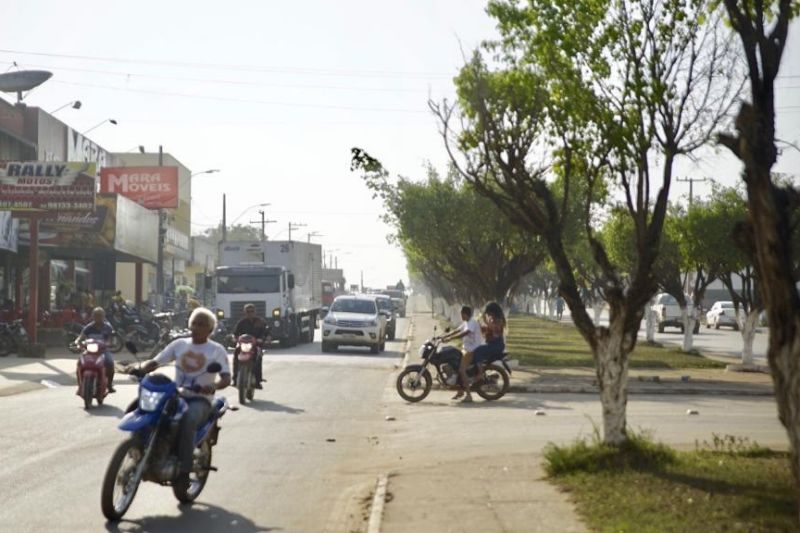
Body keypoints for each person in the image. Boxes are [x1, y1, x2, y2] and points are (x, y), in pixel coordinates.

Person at [129, 307, 231, 490]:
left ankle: (184, 471)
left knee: (188, 420)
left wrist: (213, 386)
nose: (196, 327)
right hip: (176, 394)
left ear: (210, 329)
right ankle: (137, 446)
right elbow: (157, 361)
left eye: (201, 324)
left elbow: (226, 378)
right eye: (194, 323)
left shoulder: (216, 350)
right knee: (139, 406)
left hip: (201, 399)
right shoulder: (179, 344)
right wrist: (142, 368)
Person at [454, 302, 506, 403]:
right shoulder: (492, 319)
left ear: (493, 311)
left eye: (489, 312)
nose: (488, 314)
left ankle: (480, 374)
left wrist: (484, 321)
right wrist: (480, 327)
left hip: (496, 345)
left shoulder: (498, 320)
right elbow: (487, 329)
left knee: (478, 351)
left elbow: (494, 329)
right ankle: (462, 387)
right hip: (491, 344)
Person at [74, 307, 117, 393]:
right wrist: (78, 342)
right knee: (79, 363)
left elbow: (113, 339)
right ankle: (80, 386)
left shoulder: (108, 327)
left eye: (100, 315)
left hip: (103, 351)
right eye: (96, 315)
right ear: (92, 316)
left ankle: (109, 385)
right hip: (89, 351)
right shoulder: (88, 327)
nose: (98, 317)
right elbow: (80, 337)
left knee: (110, 362)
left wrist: (111, 343)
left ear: (104, 316)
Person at [233, 303, 267, 389]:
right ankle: (235, 379)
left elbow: (265, 332)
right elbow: (235, 333)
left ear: (255, 312)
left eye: (252, 311)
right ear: (245, 312)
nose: (250, 313)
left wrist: (263, 338)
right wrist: (234, 338)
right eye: (248, 311)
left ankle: (258, 381)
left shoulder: (260, 321)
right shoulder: (241, 322)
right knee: (236, 354)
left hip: (255, 345)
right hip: (243, 345)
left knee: (258, 357)